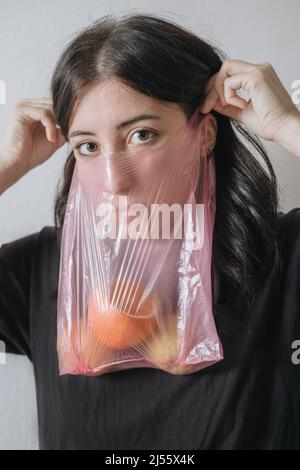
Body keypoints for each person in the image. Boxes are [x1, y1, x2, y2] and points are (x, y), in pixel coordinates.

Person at [0, 13, 300, 450]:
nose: (113, 178)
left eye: (142, 135)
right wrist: (7, 165)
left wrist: (288, 126)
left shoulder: (282, 257)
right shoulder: (42, 270)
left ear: (205, 135)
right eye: (88, 146)